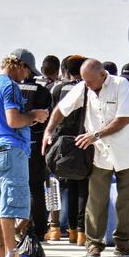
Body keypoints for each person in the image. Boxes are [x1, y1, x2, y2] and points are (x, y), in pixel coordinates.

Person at [44, 59, 129, 257]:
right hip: (100, 153)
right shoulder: (84, 87)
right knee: (96, 200)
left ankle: (123, 243)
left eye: (90, 81)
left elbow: (124, 118)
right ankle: (94, 243)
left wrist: (95, 135)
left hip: (126, 152)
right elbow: (62, 109)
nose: (87, 85)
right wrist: (49, 130)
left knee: (127, 200)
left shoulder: (120, 85)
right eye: (84, 81)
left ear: (102, 74)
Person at [0, 54, 49, 257]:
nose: (27, 76)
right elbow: (13, 120)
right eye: (28, 71)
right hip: (13, 149)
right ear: (20, 66)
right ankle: (13, 255)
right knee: (10, 204)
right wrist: (34, 115)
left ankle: (1, 253)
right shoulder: (10, 86)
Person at [9, 49, 54, 240]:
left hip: (13, 144)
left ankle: (18, 227)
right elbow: (47, 119)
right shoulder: (44, 92)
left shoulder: (9, 90)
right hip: (36, 145)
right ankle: (40, 228)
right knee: (36, 188)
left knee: (15, 188)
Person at [51, 55, 89, 245]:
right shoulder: (88, 88)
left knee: (60, 187)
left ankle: (58, 229)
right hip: (83, 141)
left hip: (61, 146)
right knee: (82, 188)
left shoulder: (57, 88)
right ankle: (81, 233)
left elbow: (53, 114)